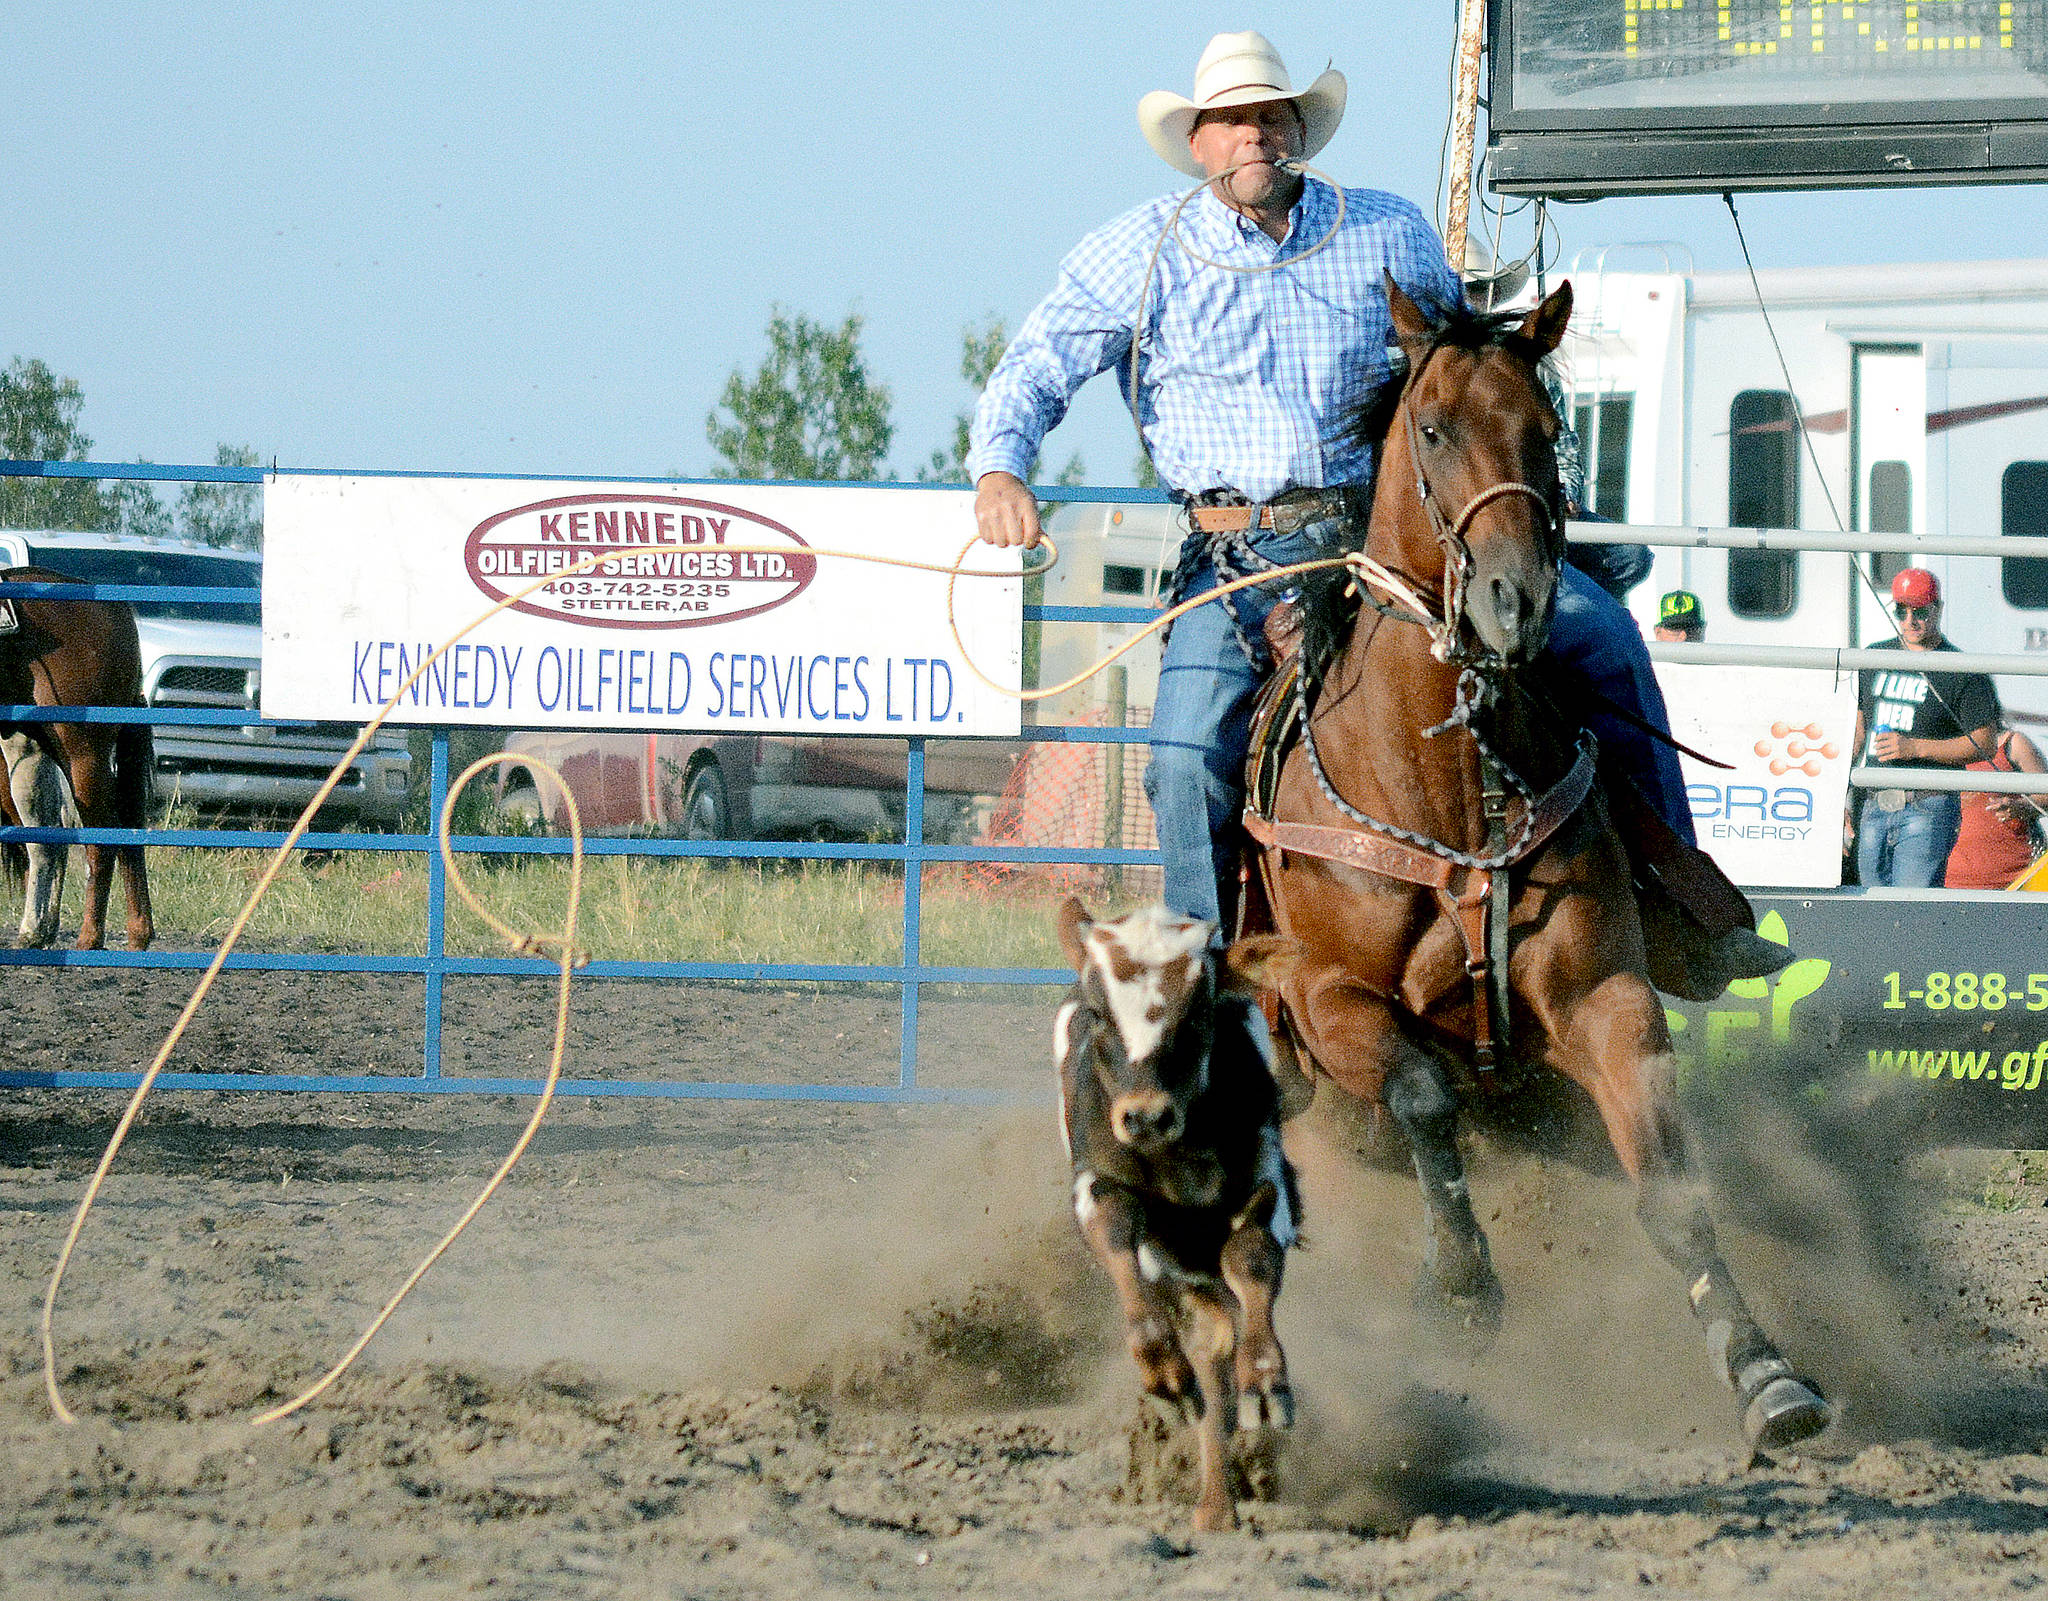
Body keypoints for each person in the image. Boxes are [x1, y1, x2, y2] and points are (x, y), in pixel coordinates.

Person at [968, 32, 1734, 968]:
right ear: (1199, 141)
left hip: (1384, 539)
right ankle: (1208, 986)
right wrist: (1002, 470)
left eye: (1271, 113)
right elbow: (1035, 365)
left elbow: (1465, 369)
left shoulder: (1387, 230)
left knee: (1600, 636)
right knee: (1182, 757)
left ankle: (1674, 899)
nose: (1253, 133)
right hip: (1235, 561)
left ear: (1300, 129)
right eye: (1231, 119)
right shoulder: (1138, 252)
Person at [1852, 567, 2000, 888]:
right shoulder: (1874, 656)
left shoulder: (1961, 668)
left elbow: (1985, 743)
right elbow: (1857, 730)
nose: (1909, 620)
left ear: (1938, 609)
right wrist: (1840, 793)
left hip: (1927, 805)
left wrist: (1914, 747)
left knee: (1912, 912)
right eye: (1900, 611)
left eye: (1919, 611)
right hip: (1873, 800)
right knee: (1866, 911)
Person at [1942, 721, 2048, 890]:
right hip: (1948, 884)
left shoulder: (2012, 743)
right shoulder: (1933, 749)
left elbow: (2045, 794)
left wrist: (2022, 807)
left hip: (2017, 882)